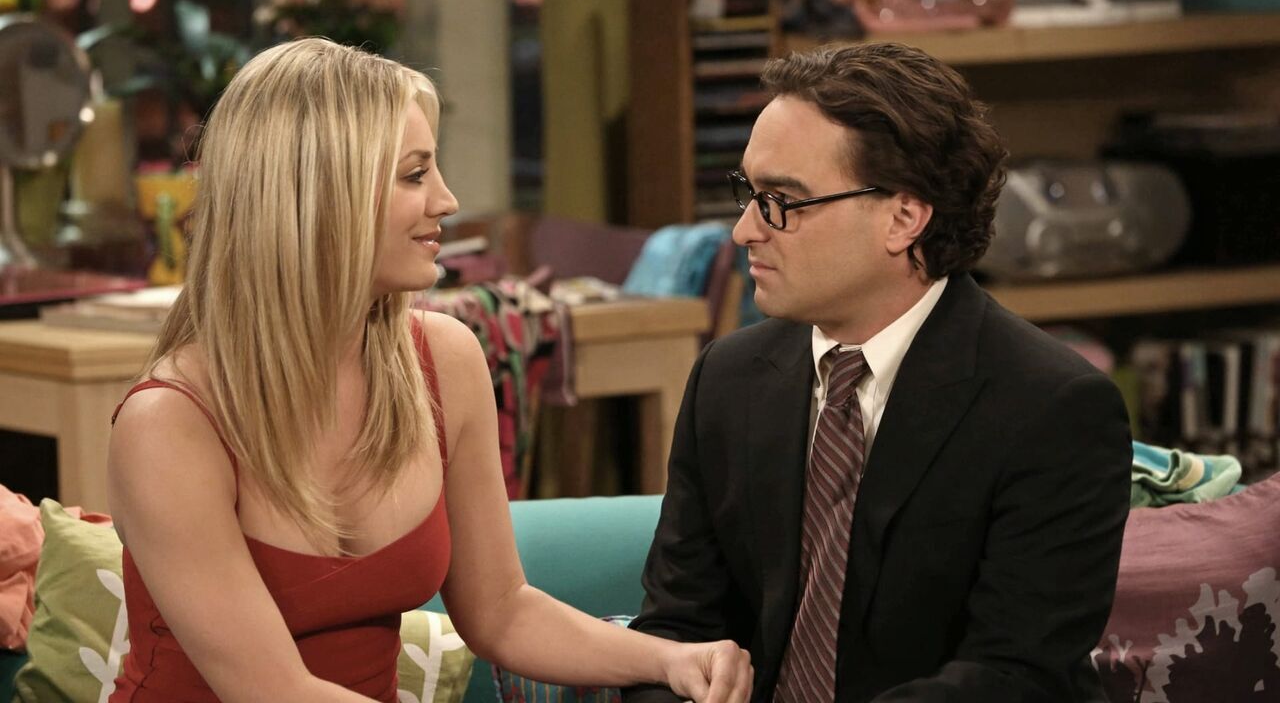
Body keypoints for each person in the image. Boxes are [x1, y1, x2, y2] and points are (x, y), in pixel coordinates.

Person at [105, 38, 752, 703]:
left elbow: (502, 610)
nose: (446, 200)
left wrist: (670, 659)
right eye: (414, 175)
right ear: (319, 195)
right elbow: (274, 690)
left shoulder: (444, 360)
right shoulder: (170, 421)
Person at [624, 42, 1132, 703]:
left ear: (903, 218)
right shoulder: (728, 379)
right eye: (748, 193)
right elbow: (675, 633)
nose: (745, 230)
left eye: (782, 200)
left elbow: (1013, 675)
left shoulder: (1053, 408)